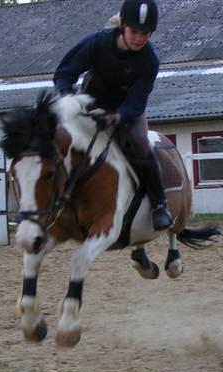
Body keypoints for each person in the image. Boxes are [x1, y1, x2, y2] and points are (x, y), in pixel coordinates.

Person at [53, 0, 173, 231]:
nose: (139, 38)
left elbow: (137, 102)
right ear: (123, 27)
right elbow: (64, 74)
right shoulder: (97, 43)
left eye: (145, 34)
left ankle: (160, 204)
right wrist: (68, 99)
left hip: (126, 113)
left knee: (140, 142)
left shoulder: (149, 61)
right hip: (87, 106)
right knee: (56, 140)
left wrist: (116, 118)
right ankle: (47, 205)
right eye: (134, 31)